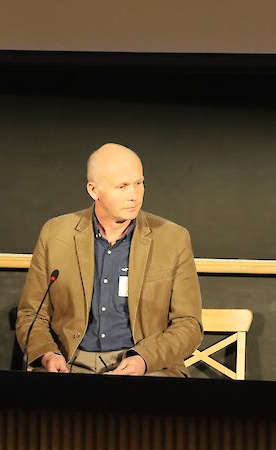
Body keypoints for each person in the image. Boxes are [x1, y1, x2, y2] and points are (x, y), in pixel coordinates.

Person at [16, 143, 203, 376]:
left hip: (146, 365)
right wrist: (47, 353)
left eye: (139, 183)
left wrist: (143, 359)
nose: (134, 195)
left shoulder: (173, 239)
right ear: (94, 190)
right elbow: (31, 315)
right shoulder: (56, 234)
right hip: (71, 362)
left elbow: (189, 324)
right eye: (122, 186)